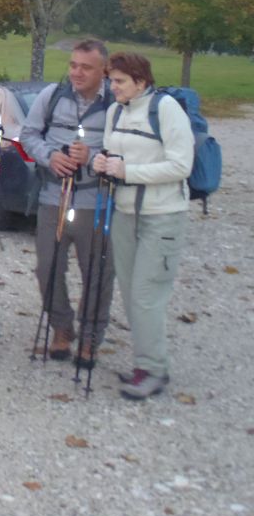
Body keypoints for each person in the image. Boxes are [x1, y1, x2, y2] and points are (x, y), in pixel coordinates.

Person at [92, 52, 193, 400]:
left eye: (119, 81)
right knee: (133, 293)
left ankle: (153, 369)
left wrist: (128, 173)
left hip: (162, 214)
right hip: (124, 213)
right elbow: (111, 153)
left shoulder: (165, 109)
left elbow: (182, 165)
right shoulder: (115, 111)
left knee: (147, 295)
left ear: (141, 81)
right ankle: (145, 363)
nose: (112, 86)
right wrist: (100, 162)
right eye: (111, 80)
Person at [19, 39, 115, 364]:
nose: (76, 72)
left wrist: (94, 156)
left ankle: (90, 338)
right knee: (47, 268)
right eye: (73, 65)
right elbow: (29, 135)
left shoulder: (116, 103)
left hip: (96, 200)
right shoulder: (52, 96)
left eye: (86, 67)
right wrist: (50, 158)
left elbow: (129, 150)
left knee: (97, 273)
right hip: (52, 197)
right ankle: (62, 328)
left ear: (104, 70)